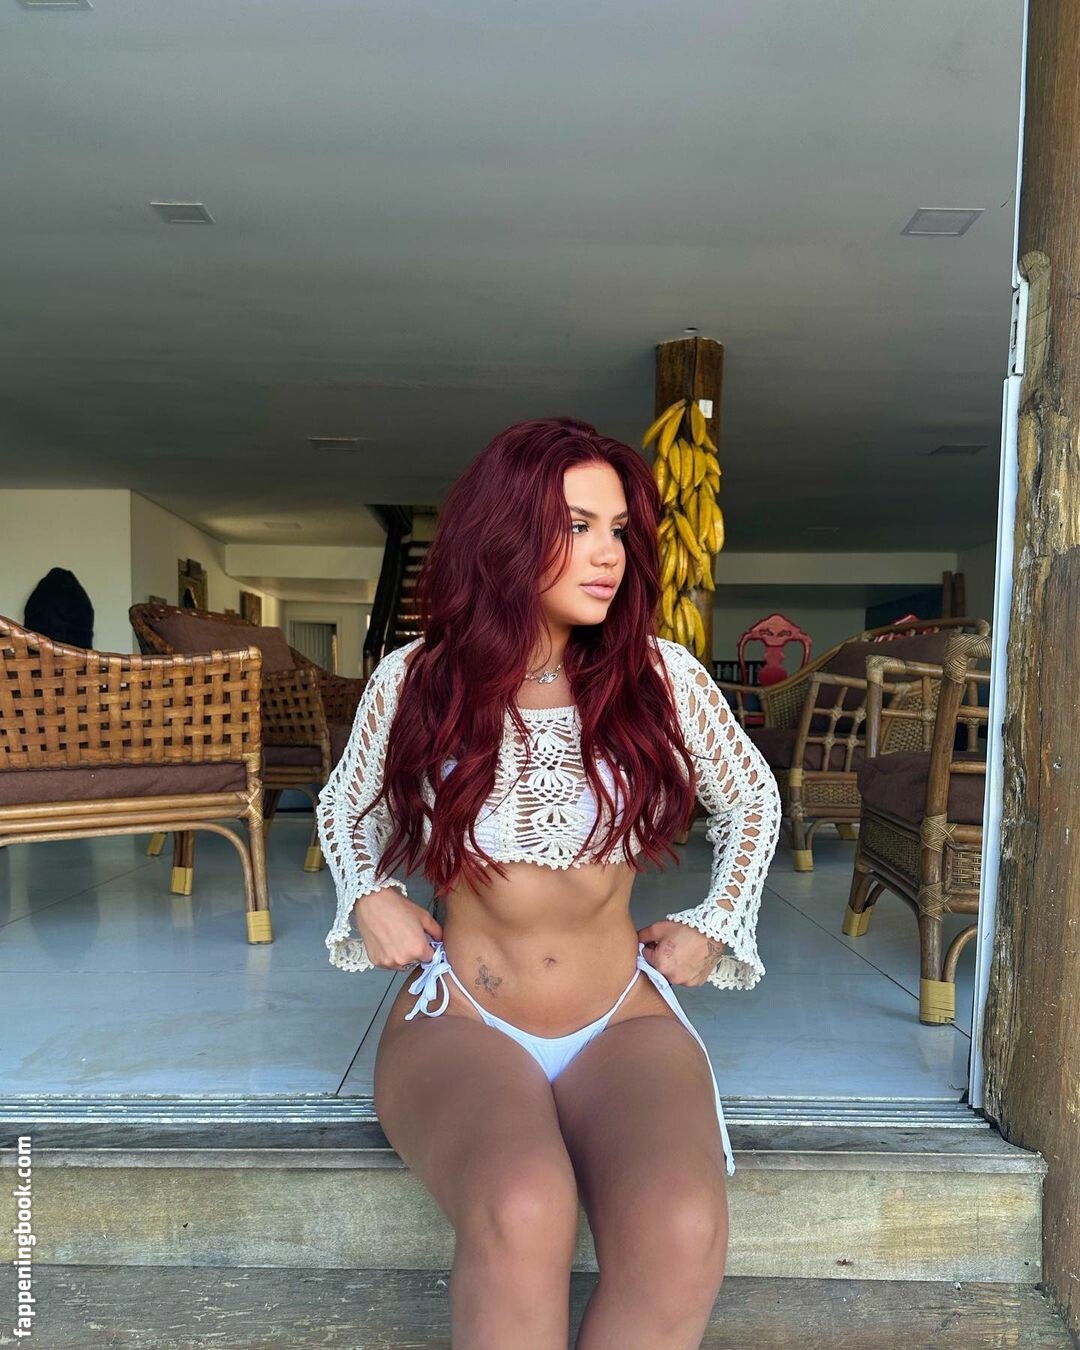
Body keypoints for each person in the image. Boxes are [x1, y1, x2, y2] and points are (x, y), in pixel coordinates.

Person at [317, 416, 781, 1349]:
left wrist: (717, 920)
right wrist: (366, 893)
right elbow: (344, 804)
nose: (609, 554)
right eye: (577, 525)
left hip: (620, 1017)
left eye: (619, 530)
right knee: (524, 1204)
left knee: (683, 1226)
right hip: (464, 1017)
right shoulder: (418, 678)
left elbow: (752, 798)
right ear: (505, 532)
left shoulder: (659, 676)